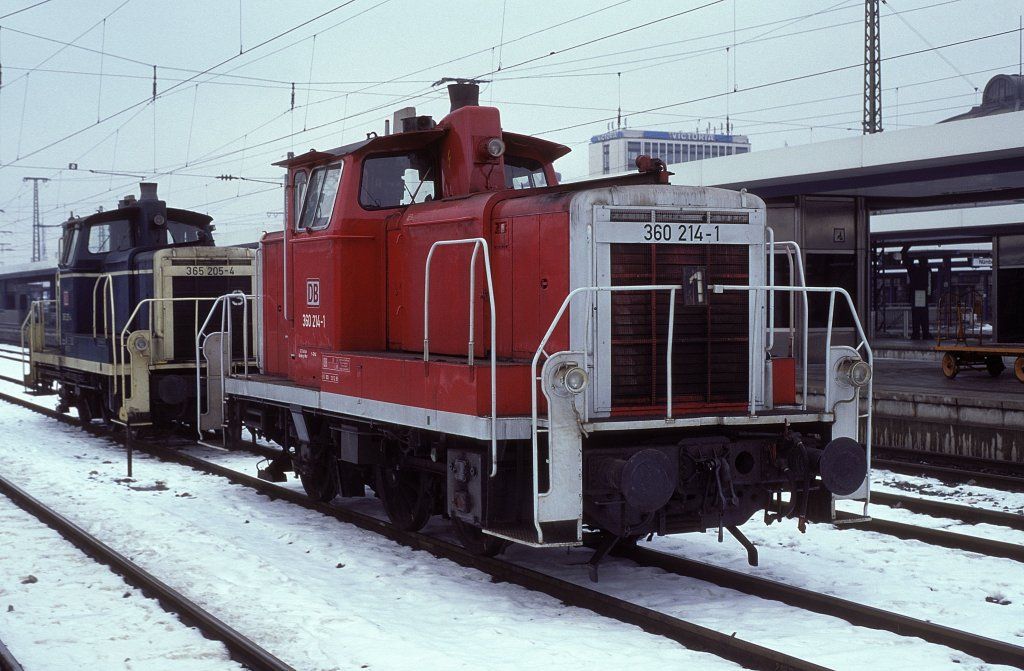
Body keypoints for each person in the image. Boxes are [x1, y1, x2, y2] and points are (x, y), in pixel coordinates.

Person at [901, 245, 932, 340]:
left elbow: (905, 259)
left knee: (916, 316)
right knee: (924, 316)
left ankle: (916, 333)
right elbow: (931, 285)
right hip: (924, 295)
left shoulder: (913, 270)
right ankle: (925, 333)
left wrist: (906, 247)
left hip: (915, 295)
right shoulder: (927, 271)